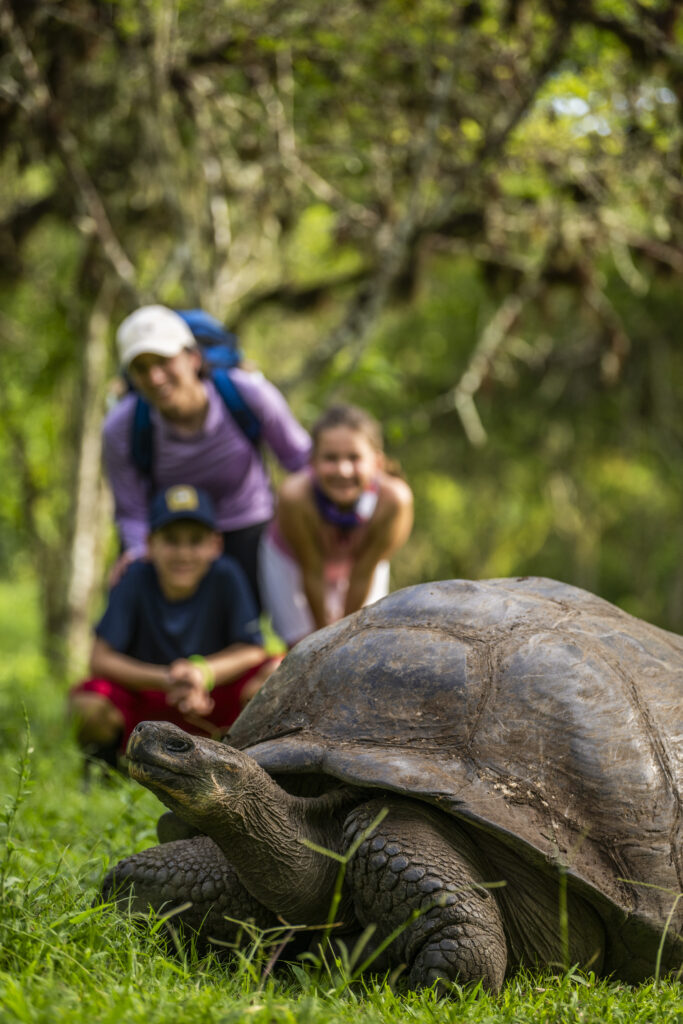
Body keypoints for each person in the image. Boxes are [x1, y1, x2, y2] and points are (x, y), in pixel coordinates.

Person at [103, 304, 312, 606]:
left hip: (249, 529)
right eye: (141, 368)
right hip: (175, 541)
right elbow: (131, 510)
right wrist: (137, 557)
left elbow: (300, 461)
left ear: (193, 358)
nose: (155, 377)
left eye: (163, 361)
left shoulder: (248, 395)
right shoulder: (121, 427)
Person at [69, 485, 280, 769]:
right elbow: (99, 658)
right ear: (150, 544)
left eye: (195, 541)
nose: (183, 553)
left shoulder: (226, 575)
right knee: (86, 704)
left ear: (214, 544)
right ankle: (108, 771)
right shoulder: (134, 578)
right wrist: (167, 678)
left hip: (212, 700)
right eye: (171, 540)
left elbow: (254, 649)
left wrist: (201, 672)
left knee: (276, 675)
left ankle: (251, 766)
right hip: (148, 702)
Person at [259, 404, 414, 647]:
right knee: (303, 645)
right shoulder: (294, 497)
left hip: (360, 565)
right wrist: (325, 643)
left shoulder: (394, 501)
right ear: (312, 462)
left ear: (377, 462)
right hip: (294, 563)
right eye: (331, 458)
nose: (343, 470)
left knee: (364, 639)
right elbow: (312, 571)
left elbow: (364, 572)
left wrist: (343, 639)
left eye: (354, 458)